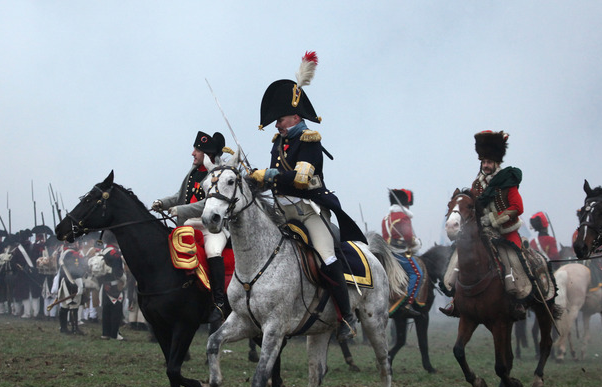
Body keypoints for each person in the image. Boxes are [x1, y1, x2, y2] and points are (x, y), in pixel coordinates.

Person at [249, 51, 366, 341]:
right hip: (279, 211)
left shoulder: (310, 141)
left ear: (296, 116)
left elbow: (301, 179)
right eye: (276, 121)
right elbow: (272, 184)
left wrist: (271, 175)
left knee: (326, 257)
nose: (277, 124)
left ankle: (347, 317)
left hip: (307, 210)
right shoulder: (278, 144)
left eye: (281, 119)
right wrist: (255, 179)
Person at [441, 130, 531, 320]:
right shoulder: (477, 184)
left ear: (497, 163)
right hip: (484, 231)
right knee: (459, 254)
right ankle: (455, 298)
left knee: (513, 260)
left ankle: (519, 301)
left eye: (489, 162)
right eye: (483, 162)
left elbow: (517, 207)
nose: (486, 165)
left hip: (506, 231)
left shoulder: (508, 181)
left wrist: (494, 219)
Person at [152, 131, 230, 321]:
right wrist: (162, 203)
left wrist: (181, 209)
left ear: (207, 154)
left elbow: (209, 204)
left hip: (211, 227)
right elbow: (178, 197)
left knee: (213, 251)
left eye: (197, 150)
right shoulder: (193, 172)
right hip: (189, 224)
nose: (193, 153)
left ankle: (219, 302)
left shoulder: (218, 173)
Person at [381, 189, 424, 316]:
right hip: (399, 253)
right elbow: (408, 238)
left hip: (386, 253)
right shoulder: (403, 217)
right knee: (417, 274)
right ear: (404, 204)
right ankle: (408, 304)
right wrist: (416, 243)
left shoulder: (385, 218)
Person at [92, 232, 126, 340]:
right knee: (116, 310)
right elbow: (118, 272)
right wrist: (122, 281)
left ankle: (105, 333)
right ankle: (114, 333)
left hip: (105, 284)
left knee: (106, 310)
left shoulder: (103, 251)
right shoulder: (114, 252)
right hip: (115, 285)